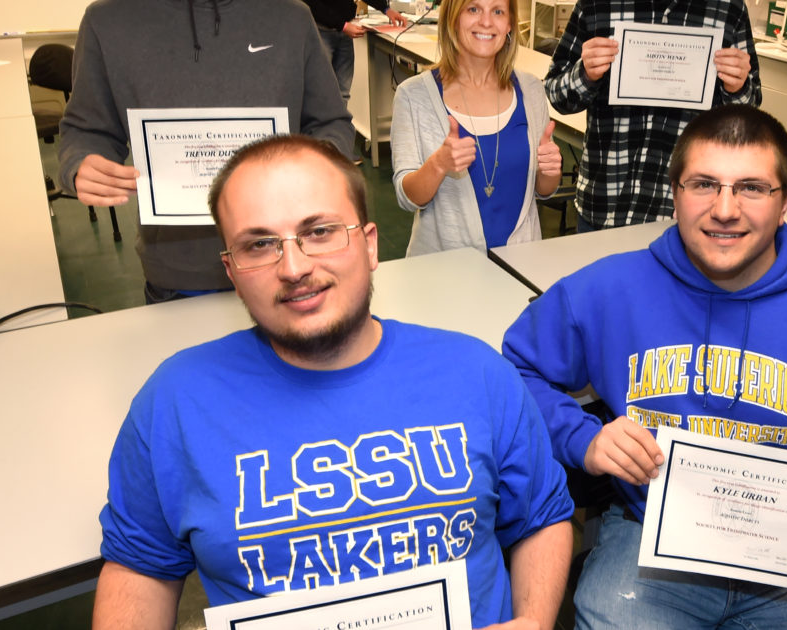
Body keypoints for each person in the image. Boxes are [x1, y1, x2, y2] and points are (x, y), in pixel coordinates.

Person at [94, 134, 575, 629]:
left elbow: (541, 518)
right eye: (259, 244)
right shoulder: (175, 402)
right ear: (232, 272)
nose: (295, 267)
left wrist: (533, 621)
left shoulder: (476, 373)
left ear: (369, 245)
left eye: (320, 231)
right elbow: (140, 567)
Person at [503, 105, 787, 628]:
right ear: (674, 193)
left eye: (752, 188)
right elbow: (516, 372)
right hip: (649, 541)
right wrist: (584, 438)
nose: (725, 209)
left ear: (785, 204)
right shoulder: (607, 290)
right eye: (704, 184)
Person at [59, 0, 354, 304]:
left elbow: (331, 121)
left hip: (290, 263)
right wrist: (80, 163)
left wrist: (319, 165)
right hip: (179, 272)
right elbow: (86, 129)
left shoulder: (291, 15)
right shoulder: (108, 20)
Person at [545, 0, 761, 231]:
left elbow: (749, 109)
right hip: (606, 200)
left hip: (687, 211)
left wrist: (736, 87)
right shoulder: (597, 4)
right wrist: (585, 73)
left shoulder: (728, 7)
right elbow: (557, 95)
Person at [392, 0, 562, 255]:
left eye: (498, 11)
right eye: (473, 9)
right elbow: (407, 198)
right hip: (445, 270)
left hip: (520, 267)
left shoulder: (531, 90)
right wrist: (438, 164)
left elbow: (543, 191)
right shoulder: (414, 95)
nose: (486, 21)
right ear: (453, 18)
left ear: (509, 25)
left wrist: (550, 171)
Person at [302, 0, 409, 102]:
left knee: (343, 92)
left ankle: (340, 121)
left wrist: (386, 9)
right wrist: (342, 25)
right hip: (321, 32)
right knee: (320, 91)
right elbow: (311, 4)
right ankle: (324, 121)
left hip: (344, 33)